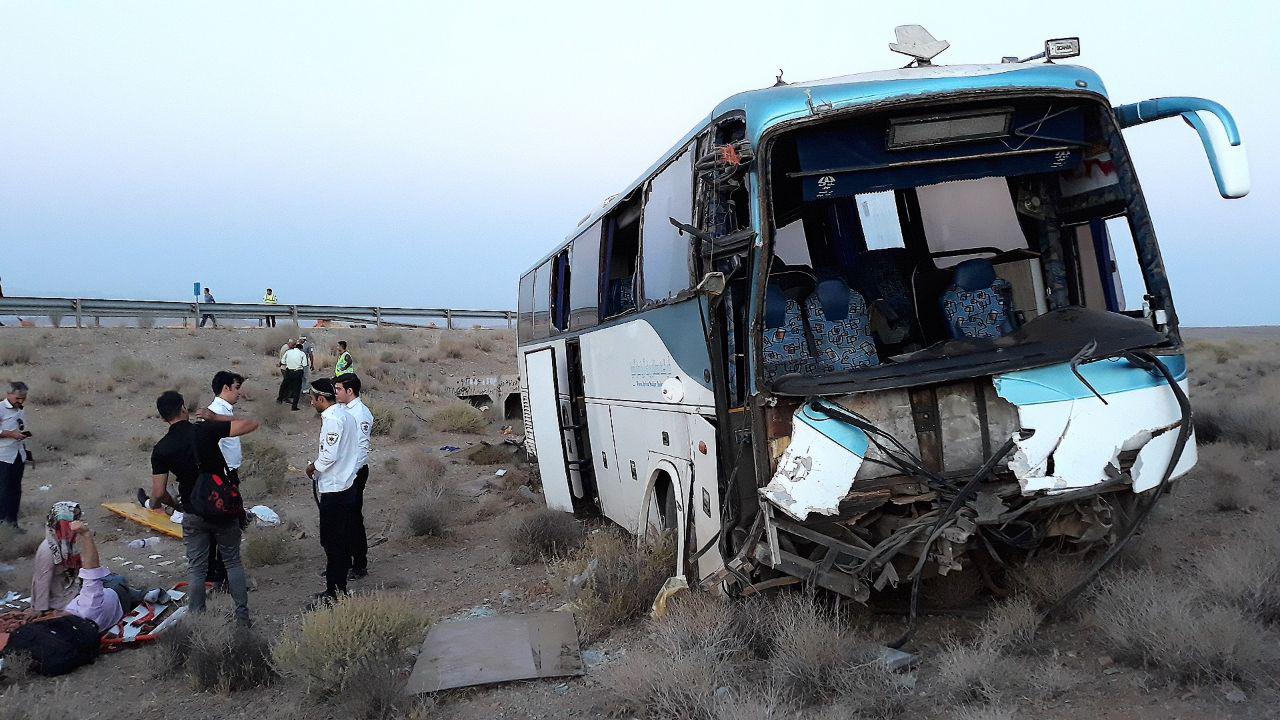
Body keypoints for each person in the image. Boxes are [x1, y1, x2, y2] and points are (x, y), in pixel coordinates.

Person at [148, 390, 258, 625]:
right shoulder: (204, 429)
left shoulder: (161, 449)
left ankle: (197, 620)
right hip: (222, 508)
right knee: (232, 561)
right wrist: (215, 418)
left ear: (162, 418)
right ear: (183, 409)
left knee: (197, 569)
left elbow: (158, 493)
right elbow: (251, 424)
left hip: (193, 511)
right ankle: (242, 616)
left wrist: (173, 504)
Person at [306, 378, 360, 603]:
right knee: (340, 539)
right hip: (346, 484)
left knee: (331, 542)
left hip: (335, 489)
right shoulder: (346, 415)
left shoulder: (333, 420)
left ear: (321, 398)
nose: (311, 403)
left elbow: (329, 455)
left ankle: (335, 592)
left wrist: (313, 467)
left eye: (312, 399)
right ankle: (338, 587)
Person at [58, 519, 164, 633]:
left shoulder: (77, 631)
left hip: (111, 613)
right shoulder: (88, 605)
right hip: (117, 595)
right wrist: (85, 534)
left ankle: (141, 595)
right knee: (113, 579)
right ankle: (142, 595)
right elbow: (92, 568)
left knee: (99, 582)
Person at [334, 374, 372, 580]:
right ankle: (342, 562)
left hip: (353, 473)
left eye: (339, 389)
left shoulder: (361, 414)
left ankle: (359, 564)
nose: (336, 392)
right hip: (341, 472)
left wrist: (350, 474)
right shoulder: (341, 410)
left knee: (353, 520)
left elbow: (361, 448)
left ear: (350, 391)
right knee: (340, 520)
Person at [30, 501, 83, 612]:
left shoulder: (73, 542)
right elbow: (42, 581)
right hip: (59, 598)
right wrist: (40, 609)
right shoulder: (48, 550)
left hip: (73, 587)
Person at [205, 371, 247, 485]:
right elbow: (215, 448)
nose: (239, 392)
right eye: (236, 387)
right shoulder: (216, 412)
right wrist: (222, 476)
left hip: (229, 472)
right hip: (223, 474)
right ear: (226, 388)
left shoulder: (224, 411)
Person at [0, 381, 31, 529]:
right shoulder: (0, 408)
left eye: (23, 398)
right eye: (18, 398)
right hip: (3, 457)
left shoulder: (21, 410)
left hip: (18, 454)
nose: (20, 401)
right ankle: (2, 524)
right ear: (9, 394)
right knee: (3, 490)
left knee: (15, 490)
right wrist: (10, 434)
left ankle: (13, 523)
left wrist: (21, 436)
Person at [278, 341, 307, 410]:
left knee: (284, 386)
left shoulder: (288, 352)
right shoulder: (302, 354)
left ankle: (279, 400)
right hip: (297, 372)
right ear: (301, 349)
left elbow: (283, 361)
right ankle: (294, 406)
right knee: (297, 389)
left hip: (288, 371)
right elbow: (304, 364)